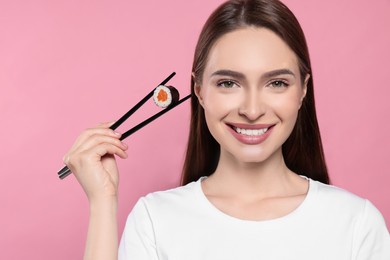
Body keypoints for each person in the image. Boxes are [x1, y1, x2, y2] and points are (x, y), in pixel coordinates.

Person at [63, 0, 390, 259]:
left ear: (303, 89)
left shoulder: (356, 222)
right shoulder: (155, 220)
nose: (251, 109)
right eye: (229, 83)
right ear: (200, 91)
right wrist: (102, 202)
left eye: (276, 83)